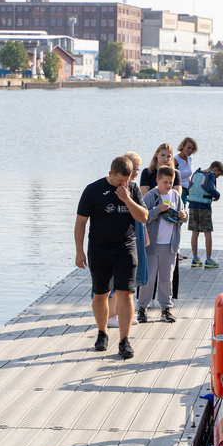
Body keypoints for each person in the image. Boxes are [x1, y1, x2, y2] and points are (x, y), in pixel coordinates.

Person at [75, 155, 148, 359]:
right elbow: (81, 222)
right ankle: (102, 332)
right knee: (101, 294)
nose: (123, 184)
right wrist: (79, 251)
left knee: (126, 293)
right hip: (99, 249)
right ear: (110, 174)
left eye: (127, 180)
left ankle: (124, 340)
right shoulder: (93, 190)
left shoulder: (131, 189)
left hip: (126, 247)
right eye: (119, 180)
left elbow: (143, 217)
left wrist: (126, 198)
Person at [137, 165, 188, 324]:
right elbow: (143, 217)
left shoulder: (176, 196)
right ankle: (142, 308)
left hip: (170, 245)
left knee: (167, 278)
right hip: (151, 245)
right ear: (158, 180)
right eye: (165, 182)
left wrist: (183, 215)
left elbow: (184, 218)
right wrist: (157, 209)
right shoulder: (151, 196)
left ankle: (166, 308)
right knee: (149, 278)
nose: (168, 185)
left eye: (171, 182)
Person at [108, 151, 147, 329]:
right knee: (114, 280)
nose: (136, 173)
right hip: (113, 240)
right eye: (134, 169)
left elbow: (143, 213)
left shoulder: (133, 188)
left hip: (133, 233)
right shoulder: (113, 187)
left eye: (137, 169)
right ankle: (111, 315)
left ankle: (123, 314)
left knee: (128, 279)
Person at [188, 161, 223, 268]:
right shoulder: (211, 175)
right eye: (218, 175)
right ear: (215, 170)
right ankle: (208, 259)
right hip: (204, 207)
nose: (217, 177)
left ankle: (195, 259)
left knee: (195, 232)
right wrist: (217, 195)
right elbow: (210, 189)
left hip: (193, 205)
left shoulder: (197, 172)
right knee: (207, 233)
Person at [174, 137, 197, 205]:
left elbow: (187, 176)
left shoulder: (189, 159)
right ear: (183, 147)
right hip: (178, 188)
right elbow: (173, 177)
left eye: (192, 149)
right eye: (188, 148)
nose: (190, 150)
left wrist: (193, 187)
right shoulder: (175, 160)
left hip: (187, 188)